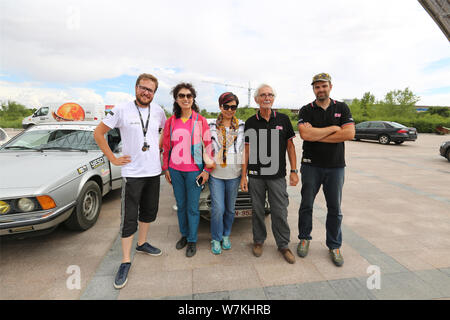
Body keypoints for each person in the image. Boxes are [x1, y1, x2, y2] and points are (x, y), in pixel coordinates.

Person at [93, 73, 167, 289]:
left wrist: (158, 148)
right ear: (136, 88)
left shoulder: (159, 111)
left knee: (149, 212)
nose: (146, 92)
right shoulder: (121, 109)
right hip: (132, 174)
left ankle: (142, 243)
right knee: (129, 218)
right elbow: (99, 133)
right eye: (143, 88)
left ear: (154, 93)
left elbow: (162, 131)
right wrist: (113, 158)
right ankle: (125, 260)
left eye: (150, 90)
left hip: (153, 172)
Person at [296, 73, 355, 267]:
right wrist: (333, 128)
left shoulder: (342, 107)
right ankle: (304, 238)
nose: (320, 90)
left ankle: (334, 245)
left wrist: (316, 135)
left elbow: (349, 133)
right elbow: (305, 134)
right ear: (313, 89)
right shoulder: (306, 109)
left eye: (323, 86)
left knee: (335, 208)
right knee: (306, 205)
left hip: (335, 166)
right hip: (310, 164)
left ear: (330, 86)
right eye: (317, 87)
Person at [240, 84, 299, 264]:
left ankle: (283, 244)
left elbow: (290, 147)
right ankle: (258, 241)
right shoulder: (250, 122)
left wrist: (294, 171)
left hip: (277, 175)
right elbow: (247, 151)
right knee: (257, 210)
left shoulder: (283, 119)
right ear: (257, 99)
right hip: (256, 176)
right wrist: (244, 176)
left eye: (270, 95)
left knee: (279, 211)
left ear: (273, 98)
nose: (267, 98)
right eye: (263, 95)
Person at [162, 82, 215, 258]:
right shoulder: (171, 122)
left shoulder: (200, 121)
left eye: (189, 96)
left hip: (194, 171)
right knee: (181, 205)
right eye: (181, 96)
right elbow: (167, 147)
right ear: (176, 99)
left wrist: (206, 170)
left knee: (193, 207)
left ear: (193, 99)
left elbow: (208, 146)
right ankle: (184, 235)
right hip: (175, 170)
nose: (185, 98)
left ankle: (192, 240)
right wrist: (166, 168)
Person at [208, 92, 245, 255]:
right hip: (216, 174)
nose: (230, 110)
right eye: (226, 106)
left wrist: (244, 175)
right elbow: (204, 147)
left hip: (234, 174)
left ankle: (226, 235)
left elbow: (246, 151)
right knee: (218, 209)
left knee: (230, 209)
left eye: (233, 107)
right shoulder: (210, 126)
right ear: (220, 106)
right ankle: (215, 238)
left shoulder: (242, 126)